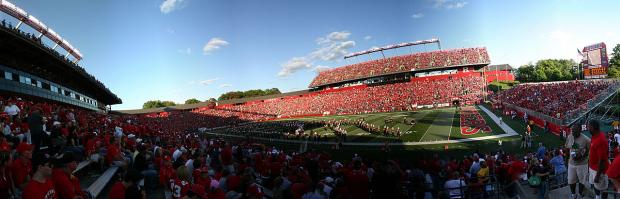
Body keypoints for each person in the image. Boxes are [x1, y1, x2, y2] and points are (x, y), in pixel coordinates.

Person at [565, 124, 590, 199]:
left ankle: (580, 194)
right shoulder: (570, 136)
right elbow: (567, 148)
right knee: (571, 180)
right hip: (571, 164)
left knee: (582, 181)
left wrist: (581, 156)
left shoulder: (586, 139)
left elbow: (588, 151)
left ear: (580, 130)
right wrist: (567, 159)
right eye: (572, 131)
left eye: (575, 131)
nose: (573, 133)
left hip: (582, 164)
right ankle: (573, 195)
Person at [588, 120, 609, 199]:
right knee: (596, 187)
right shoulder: (595, 135)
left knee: (603, 188)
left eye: (589, 127)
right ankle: (597, 197)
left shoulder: (601, 140)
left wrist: (598, 175)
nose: (587, 128)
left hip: (599, 171)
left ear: (593, 128)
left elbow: (602, 160)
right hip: (593, 167)